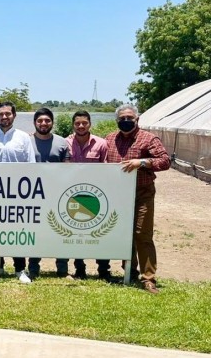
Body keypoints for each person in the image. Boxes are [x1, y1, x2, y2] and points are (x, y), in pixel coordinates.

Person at [106, 104, 170, 294]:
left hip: (143, 193)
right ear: (117, 121)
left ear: (137, 119)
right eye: (122, 119)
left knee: (142, 233)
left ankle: (148, 277)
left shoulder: (148, 139)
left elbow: (165, 161)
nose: (126, 122)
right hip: (119, 194)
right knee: (124, 234)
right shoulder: (110, 139)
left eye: (129, 118)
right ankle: (128, 272)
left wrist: (142, 162)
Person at [0, 101, 36, 283]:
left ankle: (20, 269)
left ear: (14, 115)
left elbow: (30, 165)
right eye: (1, 114)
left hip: (17, 193)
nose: (4, 117)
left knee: (17, 231)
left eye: (8, 114)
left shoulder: (23, 137)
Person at [64, 111, 110, 280]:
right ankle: (79, 268)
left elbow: (107, 168)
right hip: (72, 195)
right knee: (77, 234)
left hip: (96, 195)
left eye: (84, 123)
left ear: (90, 124)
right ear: (73, 125)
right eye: (77, 123)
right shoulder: (66, 143)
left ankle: (104, 270)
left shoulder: (101, 143)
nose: (81, 126)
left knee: (99, 232)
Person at [28, 107, 70, 279]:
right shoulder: (26, 141)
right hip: (33, 195)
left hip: (57, 194)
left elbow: (67, 168)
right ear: (35, 123)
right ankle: (33, 268)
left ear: (52, 122)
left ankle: (62, 268)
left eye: (47, 120)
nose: (43, 124)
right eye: (40, 121)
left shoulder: (62, 142)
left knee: (60, 230)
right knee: (35, 232)